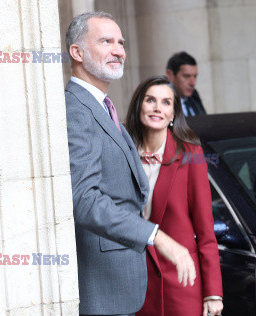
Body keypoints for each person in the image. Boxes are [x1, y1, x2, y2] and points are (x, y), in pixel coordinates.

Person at [65, 12, 196, 315]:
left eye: (121, 42)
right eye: (106, 41)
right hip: (100, 287)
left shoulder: (102, 106)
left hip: (120, 282)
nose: (119, 50)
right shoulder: (76, 110)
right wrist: (155, 236)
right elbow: (83, 200)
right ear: (77, 52)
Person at [125, 76, 223, 316]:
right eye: (150, 100)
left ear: (173, 114)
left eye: (166, 103)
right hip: (133, 284)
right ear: (139, 106)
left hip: (181, 282)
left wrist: (213, 292)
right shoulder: (123, 152)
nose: (158, 108)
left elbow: (205, 230)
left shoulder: (191, 153)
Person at [166, 52, 207, 116]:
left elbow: (205, 122)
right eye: (186, 76)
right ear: (170, 75)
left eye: (195, 76)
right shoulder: (163, 102)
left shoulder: (194, 96)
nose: (193, 83)